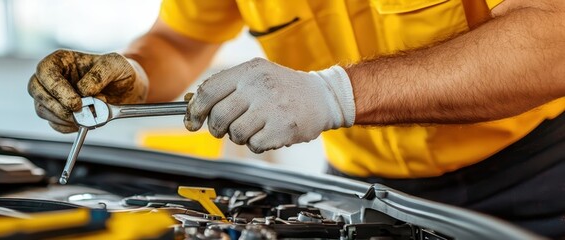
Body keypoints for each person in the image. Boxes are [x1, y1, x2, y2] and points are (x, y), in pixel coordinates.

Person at [28, 0, 565, 236]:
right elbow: (179, 39)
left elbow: (550, 40)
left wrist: (333, 94)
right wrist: (137, 75)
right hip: (365, 194)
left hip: (537, 177)